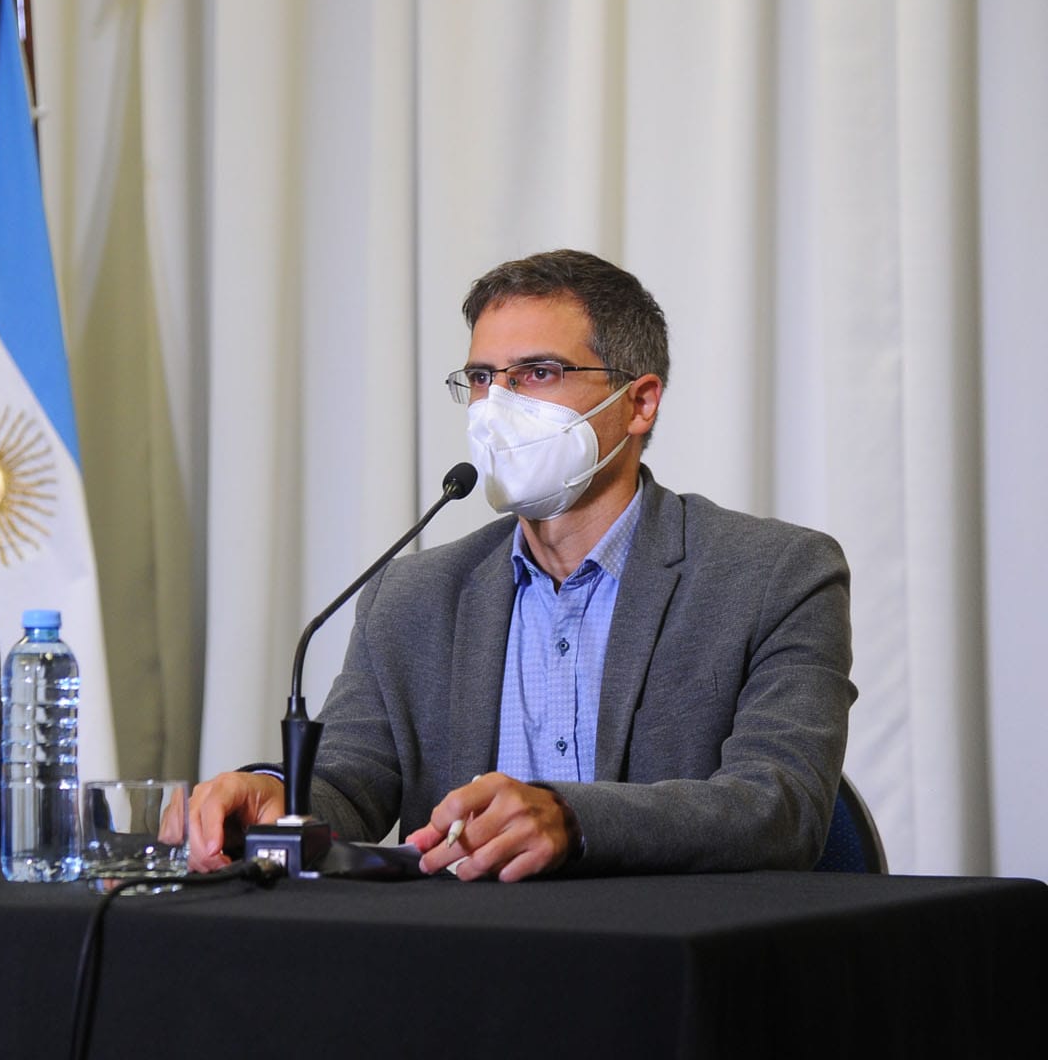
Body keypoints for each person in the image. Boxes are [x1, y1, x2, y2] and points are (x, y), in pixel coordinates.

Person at [189, 250, 855, 880]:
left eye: (536, 372)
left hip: (667, 960)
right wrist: (272, 794)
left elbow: (782, 806)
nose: (497, 407)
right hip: (466, 967)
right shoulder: (412, 595)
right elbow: (345, 786)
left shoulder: (777, 574)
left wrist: (571, 818)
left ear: (640, 402)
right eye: (482, 378)